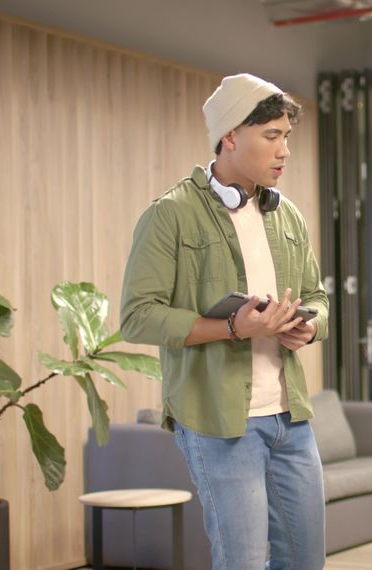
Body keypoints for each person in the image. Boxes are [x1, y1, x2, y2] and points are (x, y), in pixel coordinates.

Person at [120, 73, 329, 570]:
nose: (285, 151)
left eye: (287, 138)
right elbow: (137, 318)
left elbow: (317, 297)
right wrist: (234, 328)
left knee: (306, 561)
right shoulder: (171, 214)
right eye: (272, 136)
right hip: (218, 423)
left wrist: (309, 326)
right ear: (230, 136)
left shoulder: (288, 216)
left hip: (290, 420)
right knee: (243, 562)